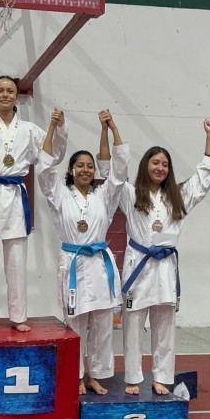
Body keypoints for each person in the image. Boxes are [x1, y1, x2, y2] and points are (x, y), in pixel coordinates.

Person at [109, 119, 210, 395]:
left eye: (165, 164)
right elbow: (114, 176)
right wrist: (111, 130)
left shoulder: (178, 196)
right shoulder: (130, 194)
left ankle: (162, 376)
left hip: (165, 268)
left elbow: (203, 178)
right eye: (155, 162)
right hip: (139, 265)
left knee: (165, 326)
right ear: (145, 165)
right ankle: (132, 377)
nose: (160, 168)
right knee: (133, 325)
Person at [0, 75, 68, 333]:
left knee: (17, 261)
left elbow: (52, 155)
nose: (5, 94)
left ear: (17, 97)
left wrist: (59, 128)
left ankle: (18, 316)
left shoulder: (30, 130)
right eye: (0, 90)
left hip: (15, 196)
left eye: (9, 91)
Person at [37, 109, 129, 395]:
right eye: (80, 165)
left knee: (102, 324)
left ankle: (96, 376)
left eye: (90, 166)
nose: (86, 170)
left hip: (99, 264)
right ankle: (76, 376)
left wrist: (111, 128)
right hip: (73, 264)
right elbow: (44, 168)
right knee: (74, 324)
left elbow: (119, 170)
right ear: (71, 170)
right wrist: (52, 127)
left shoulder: (105, 195)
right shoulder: (58, 193)